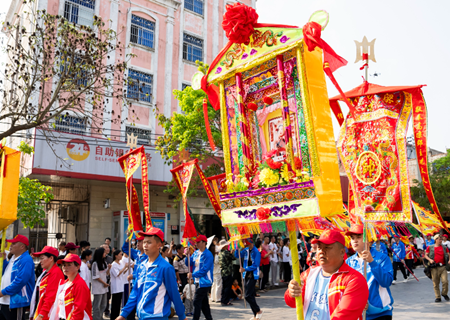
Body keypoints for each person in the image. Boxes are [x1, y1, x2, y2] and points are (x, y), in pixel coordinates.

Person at [284, 230, 369, 320]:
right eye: (319, 247)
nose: (321, 251)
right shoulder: (309, 274)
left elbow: (342, 317)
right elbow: (291, 302)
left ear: (342, 252)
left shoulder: (354, 280)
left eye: (327, 247)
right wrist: (292, 292)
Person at [118, 227, 187, 320]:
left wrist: (182, 316)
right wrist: (123, 314)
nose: (145, 245)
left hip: (157, 317)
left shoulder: (166, 268)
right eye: (145, 242)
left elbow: (174, 294)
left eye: (149, 242)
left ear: (159, 245)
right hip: (141, 317)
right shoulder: (141, 266)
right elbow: (135, 292)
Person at [346, 224, 394, 320]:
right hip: (359, 314)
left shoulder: (382, 258)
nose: (354, 240)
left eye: (359, 237)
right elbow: (347, 289)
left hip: (381, 313)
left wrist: (372, 262)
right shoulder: (348, 262)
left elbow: (386, 282)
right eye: (352, 238)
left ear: (369, 241)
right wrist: (357, 303)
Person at [0, 235, 35, 320]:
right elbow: (4, 274)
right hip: (4, 301)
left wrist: (3, 292)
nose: (10, 245)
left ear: (22, 246)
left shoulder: (26, 259)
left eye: (13, 243)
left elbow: (21, 281)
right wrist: (4, 260)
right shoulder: (13, 257)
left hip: (15, 303)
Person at [48, 253, 92, 320]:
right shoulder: (65, 283)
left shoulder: (80, 285)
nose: (65, 267)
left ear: (77, 267)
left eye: (69, 265)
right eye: (64, 265)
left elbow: (78, 311)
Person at [30, 246, 65, 320]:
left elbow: (50, 297)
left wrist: (41, 315)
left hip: (48, 314)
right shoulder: (46, 272)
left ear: (51, 258)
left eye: (42, 258)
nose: (40, 261)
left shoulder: (55, 273)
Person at [186, 235, 214, 320]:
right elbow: (189, 263)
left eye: (198, 242)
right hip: (197, 281)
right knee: (204, 303)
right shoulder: (195, 253)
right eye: (196, 242)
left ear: (204, 242)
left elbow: (205, 270)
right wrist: (187, 255)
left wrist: (193, 275)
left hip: (205, 282)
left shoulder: (208, 255)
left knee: (196, 302)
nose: (196, 244)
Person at [236, 238, 263, 320]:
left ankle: (258, 310)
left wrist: (245, 269)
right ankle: (255, 315)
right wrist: (236, 248)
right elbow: (237, 255)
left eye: (246, 242)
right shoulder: (246, 250)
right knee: (250, 295)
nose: (245, 244)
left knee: (247, 295)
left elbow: (256, 265)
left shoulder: (256, 252)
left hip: (253, 275)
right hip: (245, 274)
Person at [122, 235, 147, 320]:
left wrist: (134, 276)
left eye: (140, 241)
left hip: (144, 285)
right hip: (135, 284)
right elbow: (125, 249)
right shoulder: (137, 253)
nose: (137, 243)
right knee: (131, 306)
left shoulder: (148, 257)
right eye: (137, 241)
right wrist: (127, 240)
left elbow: (146, 272)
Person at [424, 234, 450, 302]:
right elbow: (425, 255)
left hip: (443, 267)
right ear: (436, 239)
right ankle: (438, 297)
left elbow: (448, 253)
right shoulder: (430, 247)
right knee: (435, 283)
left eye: (441, 239)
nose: (441, 240)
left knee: (445, 281)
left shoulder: (444, 247)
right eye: (439, 239)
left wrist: (449, 260)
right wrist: (430, 260)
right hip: (434, 268)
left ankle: (444, 293)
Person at [91, 247, 111, 320]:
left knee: (103, 304)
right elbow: (95, 276)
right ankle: (96, 318)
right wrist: (104, 283)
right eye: (104, 252)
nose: (105, 254)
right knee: (97, 305)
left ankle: (99, 317)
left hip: (104, 288)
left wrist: (109, 268)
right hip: (98, 288)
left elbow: (107, 274)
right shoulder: (95, 264)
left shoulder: (104, 262)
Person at [110, 250, 127, 320]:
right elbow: (117, 274)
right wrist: (124, 267)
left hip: (120, 286)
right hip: (116, 287)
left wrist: (127, 268)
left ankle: (117, 317)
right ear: (116, 256)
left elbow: (122, 272)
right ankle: (113, 317)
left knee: (118, 304)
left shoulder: (120, 263)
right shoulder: (113, 264)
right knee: (115, 304)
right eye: (120, 254)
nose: (121, 256)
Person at [218, 240, 234, 306]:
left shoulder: (220, 253)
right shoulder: (226, 253)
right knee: (227, 287)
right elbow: (233, 258)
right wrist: (232, 253)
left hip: (223, 272)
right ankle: (226, 301)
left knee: (224, 286)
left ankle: (223, 299)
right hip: (228, 272)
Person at [101, 244, 114, 317]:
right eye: (106, 247)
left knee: (108, 296)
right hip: (101, 280)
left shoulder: (110, 258)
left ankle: (106, 311)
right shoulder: (99, 259)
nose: (108, 248)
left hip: (109, 280)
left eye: (108, 247)